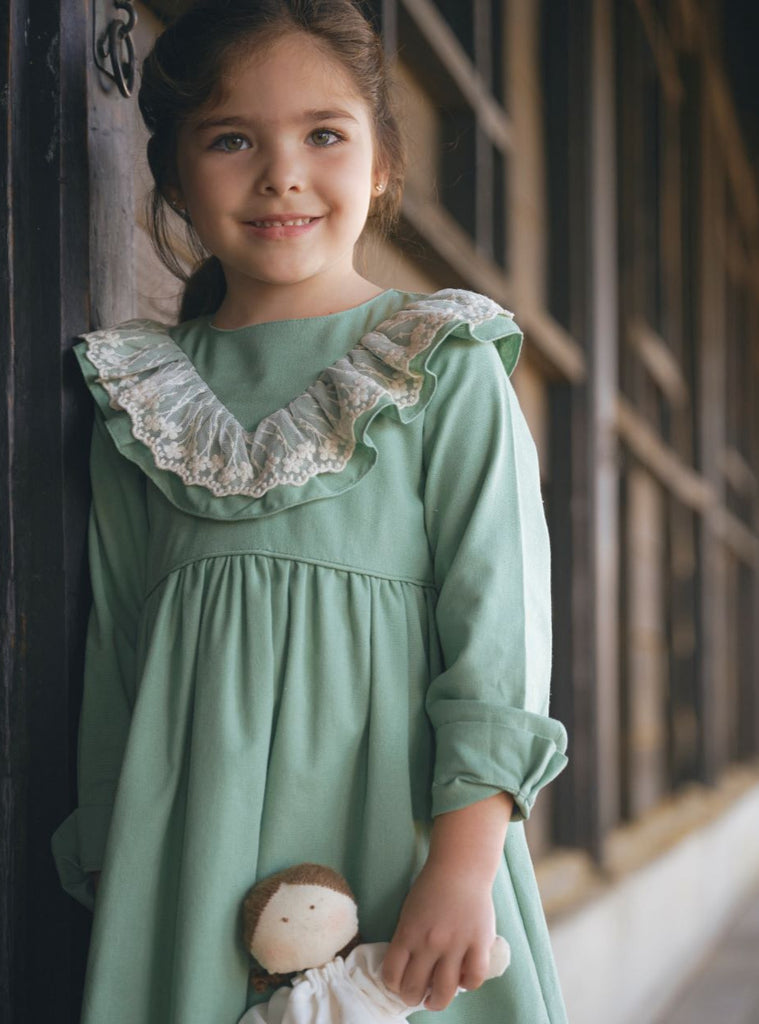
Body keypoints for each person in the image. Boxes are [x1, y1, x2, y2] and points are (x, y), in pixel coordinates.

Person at [51, 2, 570, 1022]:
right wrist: (126, 879)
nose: (282, 172)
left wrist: (463, 866)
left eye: (324, 134)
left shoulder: (442, 365)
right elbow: (114, 656)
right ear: (173, 174)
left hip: (409, 854)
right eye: (232, 137)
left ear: (381, 164)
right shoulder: (136, 398)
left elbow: (499, 636)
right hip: (187, 864)